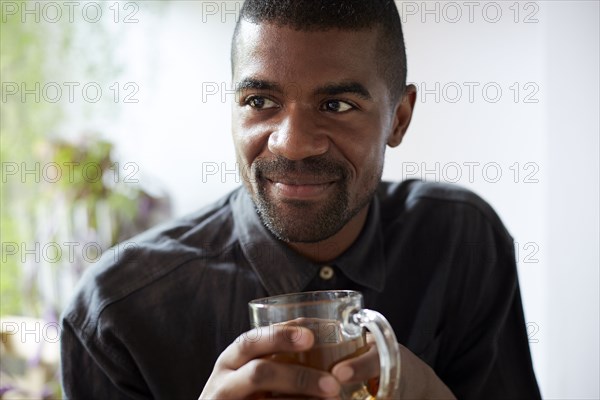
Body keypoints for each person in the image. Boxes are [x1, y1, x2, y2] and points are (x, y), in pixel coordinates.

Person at [60, 1, 542, 398]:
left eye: (337, 106)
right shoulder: (115, 314)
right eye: (260, 102)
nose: (291, 143)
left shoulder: (463, 241)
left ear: (399, 118)